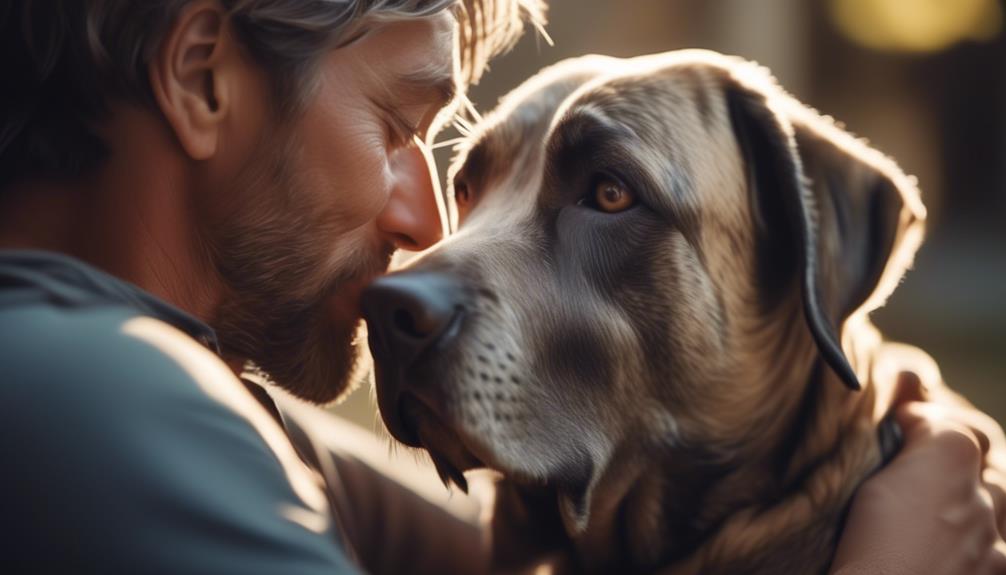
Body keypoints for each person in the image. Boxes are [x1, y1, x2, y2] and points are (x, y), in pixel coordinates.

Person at [0, 1, 1002, 573]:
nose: (431, 228)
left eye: (606, 193)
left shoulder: (144, 391)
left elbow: (464, 540)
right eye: (399, 129)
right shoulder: (99, 399)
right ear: (201, 75)